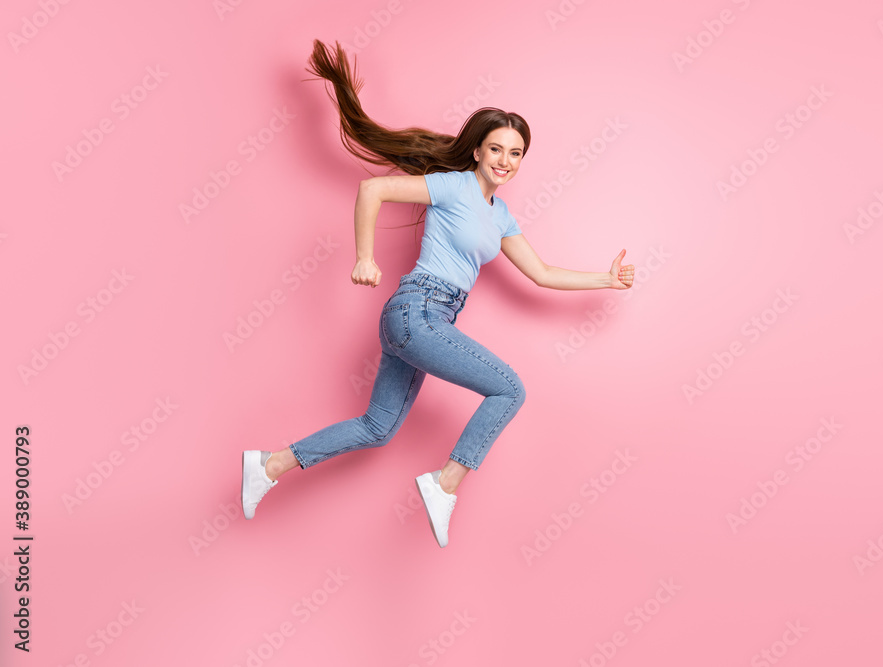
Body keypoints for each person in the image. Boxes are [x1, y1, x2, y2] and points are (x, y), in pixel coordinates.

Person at [241, 39, 635, 548]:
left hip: (431, 321)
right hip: (417, 311)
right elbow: (372, 190)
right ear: (477, 150)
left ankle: (269, 465)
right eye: (497, 149)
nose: (506, 160)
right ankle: (445, 483)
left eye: (516, 153)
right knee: (509, 389)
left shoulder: (501, 215)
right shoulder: (454, 185)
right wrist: (365, 257)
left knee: (379, 427)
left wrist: (606, 279)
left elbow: (540, 272)